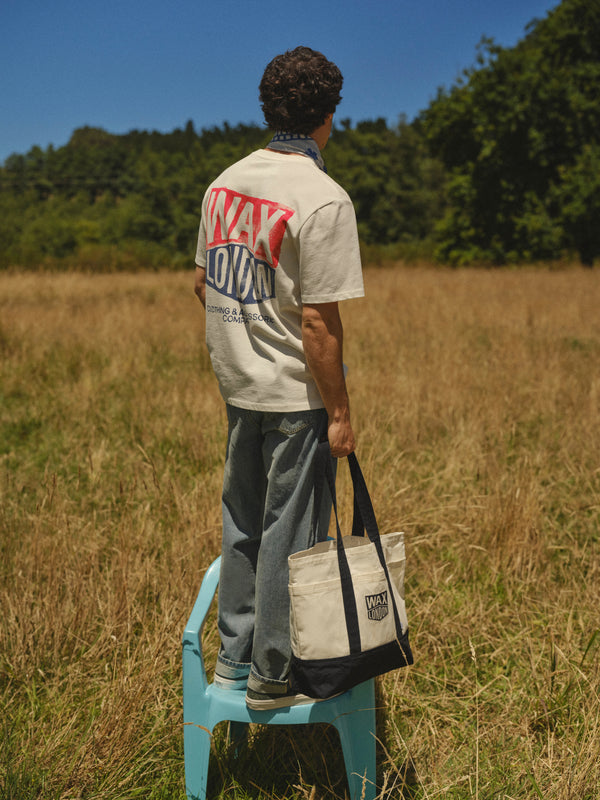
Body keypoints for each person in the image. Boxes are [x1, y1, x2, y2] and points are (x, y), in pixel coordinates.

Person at [194, 46, 364, 710]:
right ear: (328, 116)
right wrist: (340, 414)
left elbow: (204, 283)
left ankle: (233, 663)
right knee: (291, 536)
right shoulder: (323, 198)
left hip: (239, 388)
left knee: (243, 524)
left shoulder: (224, 184)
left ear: (268, 108)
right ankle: (273, 673)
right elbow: (318, 323)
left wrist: (244, 337)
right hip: (296, 397)